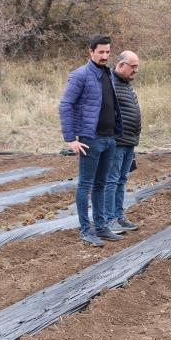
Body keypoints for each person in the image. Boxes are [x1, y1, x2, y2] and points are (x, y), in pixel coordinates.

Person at [59, 34, 124, 247]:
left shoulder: (108, 74)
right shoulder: (80, 75)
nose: (105, 55)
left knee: (101, 184)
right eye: (101, 52)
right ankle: (86, 230)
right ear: (91, 52)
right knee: (85, 184)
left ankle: (102, 226)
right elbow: (65, 105)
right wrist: (71, 139)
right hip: (90, 139)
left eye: (107, 52)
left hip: (109, 139)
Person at [104, 50, 142, 234]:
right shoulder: (110, 83)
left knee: (121, 180)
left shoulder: (125, 84)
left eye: (137, 67)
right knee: (111, 180)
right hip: (117, 142)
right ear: (121, 65)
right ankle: (108, 219)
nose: (135, 70)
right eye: (133, 67)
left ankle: (118, 216)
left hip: (129, 142)